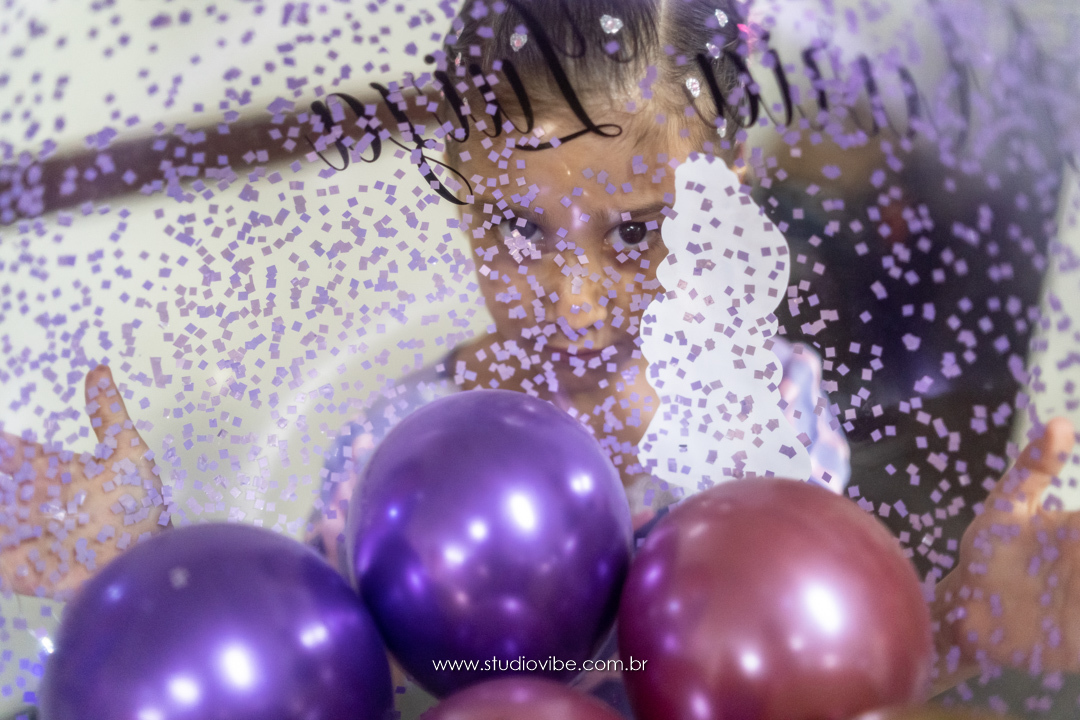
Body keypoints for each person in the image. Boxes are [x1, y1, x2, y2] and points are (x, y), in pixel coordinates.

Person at [0, 0, 1075, 710]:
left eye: (638, 231)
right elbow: (313, 681)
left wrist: (960, 628)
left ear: (726, 186)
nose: (575, 303)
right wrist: (152, 574)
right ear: (464, 185)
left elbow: (813, 678)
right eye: (519, 227)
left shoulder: (776, 414)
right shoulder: (394, 455)